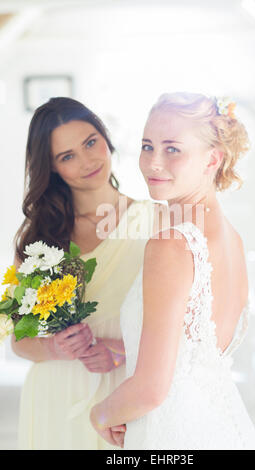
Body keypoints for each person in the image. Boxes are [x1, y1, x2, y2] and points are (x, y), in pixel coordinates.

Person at [90, 92, 255, 450]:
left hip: (172, 436)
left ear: (212, 159)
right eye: (147, 145)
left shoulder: (171, 244)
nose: (152, 162)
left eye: (172, 149)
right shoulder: (233, 239)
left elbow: (151, 389)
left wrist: (100, 414)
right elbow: (191, 347)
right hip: (228, 430)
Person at [11, 97, 156, 450]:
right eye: (67, 156)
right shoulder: (39, 237)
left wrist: (120, 352)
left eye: (91, 142)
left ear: (106, 138)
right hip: (56, 398)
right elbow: (20, 341)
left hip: (127, 392)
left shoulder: (157, 221)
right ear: (53, 168)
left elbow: (184, 330)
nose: (87, 160)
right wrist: (57, 347)